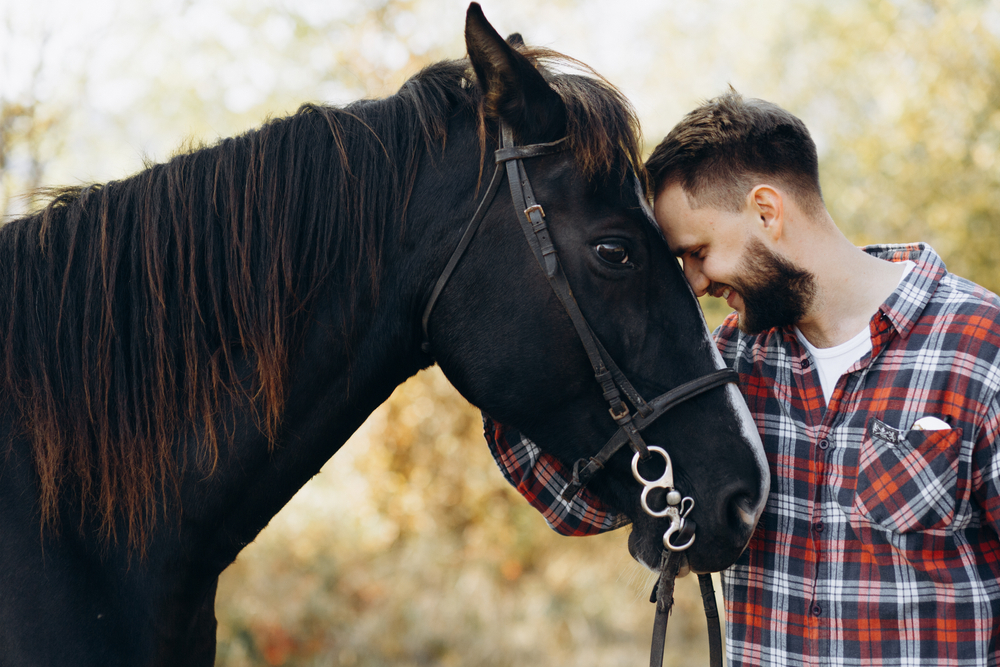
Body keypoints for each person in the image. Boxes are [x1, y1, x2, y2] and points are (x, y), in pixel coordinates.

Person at [484, 89, 1000, 666]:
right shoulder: (725, 367)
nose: (695, 283)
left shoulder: (982, 349)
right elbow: (581, 503)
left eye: (697, 251)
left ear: (766, 211)